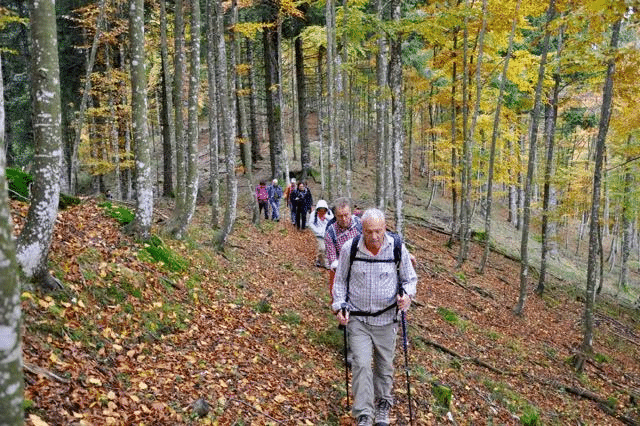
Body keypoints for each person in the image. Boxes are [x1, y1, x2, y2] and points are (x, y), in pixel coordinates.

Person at [332, 208, 417, 426]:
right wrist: (339, 305)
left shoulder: (397, 248)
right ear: (362, 229)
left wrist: (407, 297)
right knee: (360, 364)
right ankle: (364, 414)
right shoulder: (350, 249)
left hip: (387, 320)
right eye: (369, 231)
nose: (374, 236)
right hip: (358, 319)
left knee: (384, 366)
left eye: (378, 231)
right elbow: (339, 282)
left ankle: (382, 405)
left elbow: (410, 279)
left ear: (385, 227)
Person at [325, 198, 362, 304]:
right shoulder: (331, 232)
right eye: (340, 216)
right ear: (335, 216)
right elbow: (332, 257)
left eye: (346, 215)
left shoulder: (360, 224)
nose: (344, 219)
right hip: (342, 268)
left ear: (351, 212)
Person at [308, 200, 334, 268]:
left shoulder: (329, 213)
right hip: (319, 234)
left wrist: (326, 216)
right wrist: (318, 231)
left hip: (328, 234)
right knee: (322, 248)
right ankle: (325, 263)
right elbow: (310, 224)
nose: (322, 211)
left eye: (323, 209)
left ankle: (320, 260)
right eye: (320, 209)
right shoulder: (314, 214)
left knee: (328, 248)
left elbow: (333, 220)